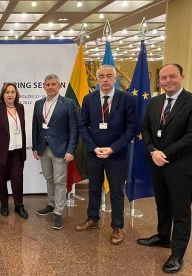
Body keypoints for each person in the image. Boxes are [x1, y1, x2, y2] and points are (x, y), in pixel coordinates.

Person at [138, 63, 192, 273]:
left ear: (182, 76)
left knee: (180, 210)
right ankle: (162, 237)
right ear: (159, 81)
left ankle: (177, 254)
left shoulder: (190, 101)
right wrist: (153, 151)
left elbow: (190, 135)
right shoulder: (154, 102)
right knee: (162, 203)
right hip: (156, 163)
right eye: (163, 78)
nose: (168, 81)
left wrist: (165, 153)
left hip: (180, 166)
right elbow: (146, 129)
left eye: (172, 77)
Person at [75, 65, 137, 245]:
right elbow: (83, 126)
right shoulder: (88, 99)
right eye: (101, 76)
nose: (105, 80)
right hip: (94, 153)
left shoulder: (127, 99)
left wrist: (112, 148)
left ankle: (117, 227)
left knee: (116, 192)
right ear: (96, 79)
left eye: (109, 76)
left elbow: (131, 128)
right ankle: (93, 219)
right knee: (94, 188)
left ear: (115, 79)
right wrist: (93, 147)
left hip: (116, 154)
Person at [32, 74, 79, 229]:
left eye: (54, 84)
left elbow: (74, 128)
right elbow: (35, 127)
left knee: (59, 181)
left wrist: (71, 149)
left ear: (59, 86)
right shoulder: (39, 104)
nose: (50, 87)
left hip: (61, 149)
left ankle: (58, 212)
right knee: (49, 178)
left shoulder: (68, 104)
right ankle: (51, 204)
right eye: (48, 84)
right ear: (44, 86)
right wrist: (35, 147)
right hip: (43, 148)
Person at [0, 82, 28, 219]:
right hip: (0, 152)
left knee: (17, 178)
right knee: (1, 179)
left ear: (16, 94)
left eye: (13, 92)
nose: (10, 95)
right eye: (7, 92)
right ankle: (4, 204)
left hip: (17, 151)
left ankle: (19, 205)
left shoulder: (20, 108)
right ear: (3, 94)